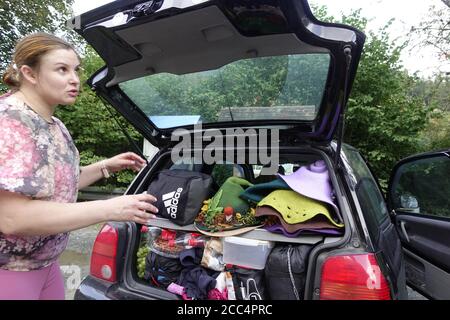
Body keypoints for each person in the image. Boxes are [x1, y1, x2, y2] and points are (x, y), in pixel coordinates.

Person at [0, 33, 158, 300]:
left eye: (76, 69)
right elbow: (12, 218)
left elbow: (58, 185)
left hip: (46, 265)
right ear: (30, 73)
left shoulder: (54, 124)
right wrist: (111, 207)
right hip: (11, 271)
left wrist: (106, 167)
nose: (75, 79)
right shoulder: (10, 122)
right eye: (62, 69)